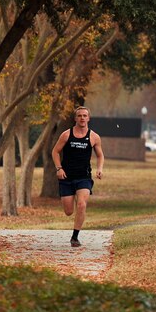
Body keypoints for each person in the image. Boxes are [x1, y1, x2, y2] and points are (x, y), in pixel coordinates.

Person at [51, 106, 104, 247]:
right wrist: (59, 168)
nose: (82, 118)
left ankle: (75, 237)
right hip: (66, 177)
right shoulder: (66, 135)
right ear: (75, 118)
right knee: (68, 211)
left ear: (88, 118)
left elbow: (100, 155)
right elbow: (55, 152)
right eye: (79, 115)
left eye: (85, 115)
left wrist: (99, 169)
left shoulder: (94, 137)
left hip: (84, 177)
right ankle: (72, 202)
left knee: (81, 204)